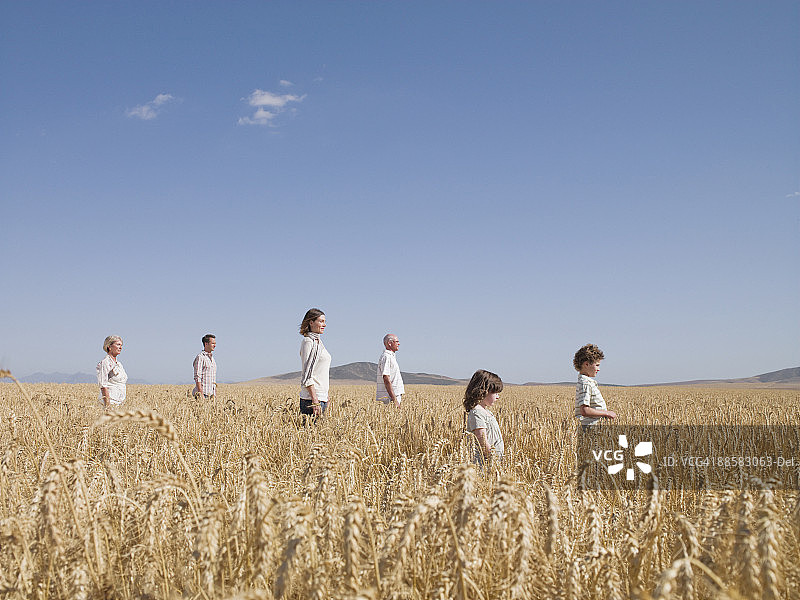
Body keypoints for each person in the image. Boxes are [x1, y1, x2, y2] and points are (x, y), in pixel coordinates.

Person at [463, 369, 504, 465]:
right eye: (496, 393)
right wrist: (492, 459)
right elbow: (482, 440)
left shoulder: (486, 412)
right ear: (483, 391)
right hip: (484, 464)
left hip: (492, 462)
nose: (498, 397)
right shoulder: (477, 413)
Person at [573, 343, 617, 429]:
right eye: (597, 365)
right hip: (590, 429)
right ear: (586, 364)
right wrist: (607, 413)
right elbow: (585, 411)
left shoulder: (586, 382)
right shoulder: (585, 383)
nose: (598, 369)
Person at [299, 308, 331, 419]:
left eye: (325, 321)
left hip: (320, 397)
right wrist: (315, 400)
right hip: (311, 399)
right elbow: (307, 375)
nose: (325, 325)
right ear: (311, 322)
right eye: (321, 321)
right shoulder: (309, 342)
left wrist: (326, 397)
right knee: (309, 435)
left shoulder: (318, 342)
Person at [97, 335, 128, 409]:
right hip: (110, 402)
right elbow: (103, 385)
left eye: (121, 345)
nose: (120, 347)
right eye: (118, 344)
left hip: (119, 402)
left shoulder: (119, 364)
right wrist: (107, 406)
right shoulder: (105, 363)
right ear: (109, 347)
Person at [376, 333, 404, 407]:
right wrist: (394, 400)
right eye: (397, 341)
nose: (399, 344)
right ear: (390, 343)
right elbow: (386, 378)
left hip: (392, 396)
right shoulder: (386, 357)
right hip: (390, 398)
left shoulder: (390, 356)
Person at [193, 334, 217, 399]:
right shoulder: (200, 357)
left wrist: (214, 395)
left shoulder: (212, 359)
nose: (215, 345)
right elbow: (197, 377)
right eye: (212, 343)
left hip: (211, 395)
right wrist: (201, 394)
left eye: (215, 343)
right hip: (203, 394)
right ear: (206, 344)